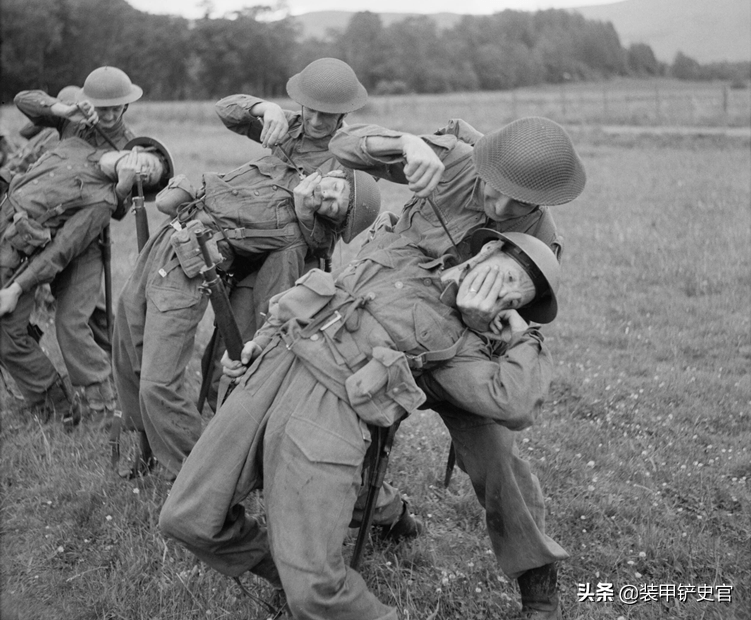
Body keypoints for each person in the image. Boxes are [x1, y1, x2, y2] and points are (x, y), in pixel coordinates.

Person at [158, 229, 560, 620]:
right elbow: (309, 294)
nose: (500, 294)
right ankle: (284, 570)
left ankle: (309, 581)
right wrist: (258, 342)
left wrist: (524, 337)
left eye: (513, 297)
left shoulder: (461, 344)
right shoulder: (407, 250)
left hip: (328, 406)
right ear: (486, 250)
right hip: (272, 370)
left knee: (315, 590)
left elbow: (513, 402)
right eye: (506, 277)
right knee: (186, 518)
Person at [328, 115, 587, 619]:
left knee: (497, 460)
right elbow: (343, 144)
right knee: (334, 427)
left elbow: (517, 318)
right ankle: (373, 518)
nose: (504, 206)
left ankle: (537, 581)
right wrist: (404, 143)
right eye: (499, 189)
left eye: (523, 200)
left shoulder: (541, 237)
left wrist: (480, 315)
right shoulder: (451, 161)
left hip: (456, 351)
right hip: (377, 322)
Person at [111, 153, 381, 481]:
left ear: (329, 220)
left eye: (334, 205)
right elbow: (237, 113)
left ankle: (196, 482)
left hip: (190, 265)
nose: (328, 195)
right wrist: (263, 109)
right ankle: (148, 446)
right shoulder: (286, 167)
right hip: (163, 242)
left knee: (157, 383)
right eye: (335, 186)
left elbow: (275, 299)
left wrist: (257, 344)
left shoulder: (294, 240)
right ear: (333, 173)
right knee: (127, 348)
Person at [201, 57, 369, 408]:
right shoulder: (289, 126)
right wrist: (265, 108)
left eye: (327, 115)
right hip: (248, 252)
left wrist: (305, 212)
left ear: (344, 115)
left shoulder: (348, 159)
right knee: (227, 342)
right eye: (310, 110)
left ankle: (254, 419)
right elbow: (225, 109)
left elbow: (325, 242)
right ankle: (215, 425)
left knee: (268, 343)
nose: (316, 121)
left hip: (293, 267)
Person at [0, 138, 170, 426]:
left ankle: (59, 405)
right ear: (138, 151)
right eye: (146, 166)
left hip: (17, 255)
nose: (140, 172)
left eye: (145, 178)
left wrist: (15, 290)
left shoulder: (102, 200)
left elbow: (61, 249)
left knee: (7, 334)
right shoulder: (74, 145)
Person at [12, 68, 145, 417]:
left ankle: (103, 401)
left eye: (116, 107)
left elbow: (115, 213)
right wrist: (61, 109)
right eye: (102, 108)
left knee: (72, 322)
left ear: (127, 105)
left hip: (86, 241)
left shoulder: (130, 148)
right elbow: (23, 101)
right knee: (33, 305)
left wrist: (121, 187)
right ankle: (62, 392)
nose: (109, 115)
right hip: (41, 232)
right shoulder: (74, 123)